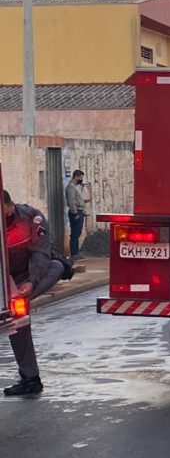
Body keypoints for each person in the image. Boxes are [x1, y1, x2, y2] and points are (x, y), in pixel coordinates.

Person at [3, 190, 63, 396]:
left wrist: (31, 282)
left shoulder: (31, 218)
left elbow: (41, 254)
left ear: (10, 206)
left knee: (57, 266)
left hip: (26, 278)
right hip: (2, 280)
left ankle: (30, 379)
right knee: (16, 316)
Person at [65, 169, 89, 259]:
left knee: (77, 233)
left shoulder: (75, 187)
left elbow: (76, 200)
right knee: (75, 234)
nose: (81, 179)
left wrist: (84, 201)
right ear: (76, 177)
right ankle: (74, 254)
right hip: (76, 213)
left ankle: (76, 253)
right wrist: (75, 213)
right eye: (81, 177)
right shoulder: (71, 187)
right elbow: (71, 202)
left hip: (80, 212)